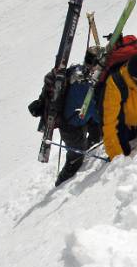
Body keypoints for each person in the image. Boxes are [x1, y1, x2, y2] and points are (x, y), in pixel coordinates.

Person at [29, 47, 103, 186]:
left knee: (94, 133)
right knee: (74, 160)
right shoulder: (86, 85)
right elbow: (93, 110)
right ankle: (61, 183)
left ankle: (89, 144)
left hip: (75, 119)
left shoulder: (75, 70)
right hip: (71, 126)